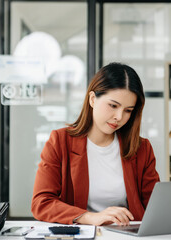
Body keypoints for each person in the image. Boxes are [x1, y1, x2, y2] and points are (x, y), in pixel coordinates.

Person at [31, 62, 160, 226]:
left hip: (127, 236)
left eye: (128, 110)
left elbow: (155, 208)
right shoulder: (60, 141)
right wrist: (90, 217)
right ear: (93, 99)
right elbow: (41, 203)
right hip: (82, 234)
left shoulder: (142, 149)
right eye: (113, 105)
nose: (119, 117)